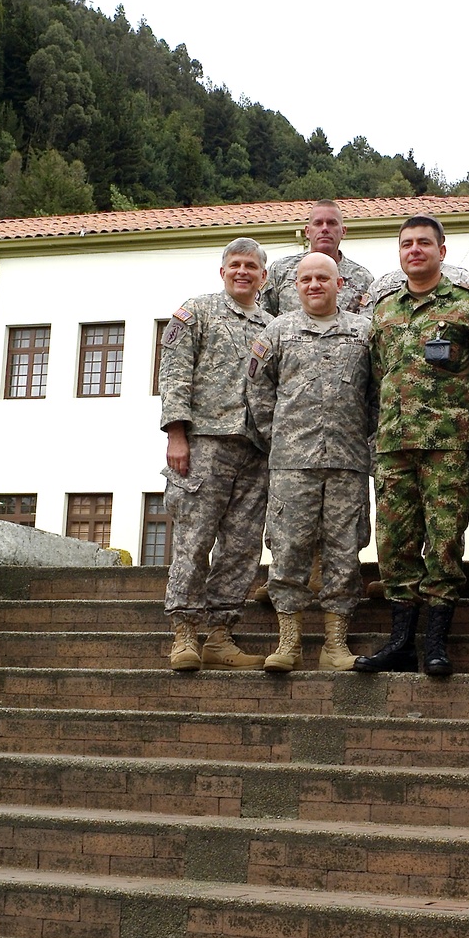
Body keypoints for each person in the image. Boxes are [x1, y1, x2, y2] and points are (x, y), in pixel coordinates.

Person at [353, 214, 469, 676]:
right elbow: (378, 374)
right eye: (407, 244)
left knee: (443, 543)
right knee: (394, 544)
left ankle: (435, 641)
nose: (414, 250)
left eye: (423, 243)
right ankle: (400, 642)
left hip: (447, 447)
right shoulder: (384, 311)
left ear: (442, 251)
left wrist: (461, 425)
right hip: (394, 446)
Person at [247, 252, 372, 672]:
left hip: (348, 463)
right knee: (288, 550)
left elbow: (376, 396)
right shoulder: (277, 331)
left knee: (344, 552)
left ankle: (334, 645)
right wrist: (280, 437)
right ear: (295, 286)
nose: (314, 284)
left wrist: (363, 437)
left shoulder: (363, 334)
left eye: (323, 277)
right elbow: (258, 393)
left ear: (341, 285)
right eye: (305, 279)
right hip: (292, 464)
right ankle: (289, 643)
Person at [159, 237, 271, 671]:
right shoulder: (198, 312)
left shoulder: (272, 325)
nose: (242, 272)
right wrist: (176, 434)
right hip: (204, 443)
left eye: (251, 266)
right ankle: (184, 631)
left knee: (242, 547)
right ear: (222, 271)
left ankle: (221, 634)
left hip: (256, 450)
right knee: (195, 539)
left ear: (263, 276)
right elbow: (174, 374)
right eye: (235, 265)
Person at [263, 200, 373, 316]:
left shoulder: (363, 279)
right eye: (318, 223)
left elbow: (367, 325)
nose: (325, 229)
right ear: (307, 231)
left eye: (331, 223)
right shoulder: (280, 271)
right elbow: (263, 318)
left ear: (343, 231)